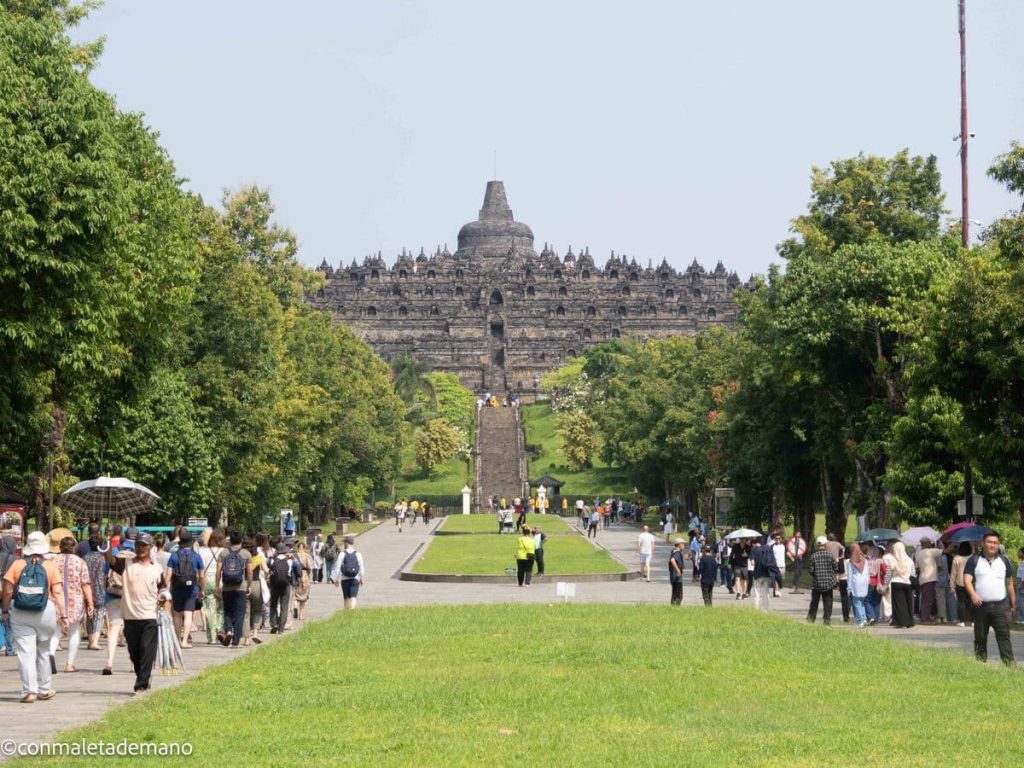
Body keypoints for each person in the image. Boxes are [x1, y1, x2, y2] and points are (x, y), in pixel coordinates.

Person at [2, 531, 65, 702]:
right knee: (43, 651)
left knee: (26, 653)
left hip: (21, 611)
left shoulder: (17, 564)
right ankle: (44, 689)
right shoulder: (50, 566)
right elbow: (58, 592)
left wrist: (6, 611)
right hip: (46, 611)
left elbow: (7, 591)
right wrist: (63, 614)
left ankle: (29, 691)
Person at [104, 532, 168, 696]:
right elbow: (111, 561)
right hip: (130, 616)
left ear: (150, 547)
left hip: (149, 615)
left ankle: (140, 685)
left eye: (144, 546)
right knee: (134, 652)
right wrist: (105, 546)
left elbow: (162, 586)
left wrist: (164, 596)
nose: (140, 548)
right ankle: (143, 678)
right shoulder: (126, 563)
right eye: (138, 545)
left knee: (147, 650)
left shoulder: (156, 567)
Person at [963, 531, 1016, 665]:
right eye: (989, 542)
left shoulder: (1004, 561)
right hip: (981, 606)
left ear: (998, 545)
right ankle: (981, 665)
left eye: (995, 543)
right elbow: (967, 580)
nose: (992, 545)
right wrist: (973, 595)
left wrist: (1013, 605)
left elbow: (1009, 583)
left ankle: (1009, 665)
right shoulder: (974, 560)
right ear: (983, 543)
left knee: (1004, 637)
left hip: (1001, 606)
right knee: (980, 637)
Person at [52, 536, 94, 672]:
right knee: (75, 632)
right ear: (75, 548)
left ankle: (50, 656)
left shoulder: (52, 561)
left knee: (55, 631)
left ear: (60, 547)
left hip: (55, 600)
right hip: (75, 601)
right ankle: (70, 664)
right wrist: (90, 603)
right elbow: (85, 584)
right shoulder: (80, 562)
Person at [165, 530, 203, 648]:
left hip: (176, 589)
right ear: (191, 543)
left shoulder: (174, 556)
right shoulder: (196, 557)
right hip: (191, 589)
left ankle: (176, 639)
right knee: (188, 614)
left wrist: (166, 588)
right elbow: (201, 576)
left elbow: (168, 574)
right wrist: (201, 589)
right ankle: (184, 641)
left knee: (176, 615)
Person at [215, 529, 253, 647]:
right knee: (240, 613)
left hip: (227, 587)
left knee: (227, 611)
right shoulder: (246, 553)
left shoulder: (223, 553)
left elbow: (218, 571)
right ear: (241, 540)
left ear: (230, 540)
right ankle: (236, 641)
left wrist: (217, 585)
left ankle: (228, 631)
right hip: (240, 587)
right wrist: (249, 585)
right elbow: (250, 572)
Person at [198, 529, 225, 644]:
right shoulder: (224, 551)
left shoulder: (202, 551)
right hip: (222, 579)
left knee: (209, 609)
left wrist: (200, 586)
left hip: (208, 578)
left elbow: (200, 571)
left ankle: (212, 637)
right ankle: (220, 629)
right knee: (221, 607)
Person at [884, 541, 916, 629]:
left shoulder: (893, 560)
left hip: (896, 582)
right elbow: (913, 573)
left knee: (898, 604)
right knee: (907, 603)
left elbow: (888, 574)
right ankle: (909, 621)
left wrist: (885, 584)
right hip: (907, 582)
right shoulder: (909, 560)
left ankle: (900, 622)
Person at [806, 536, 837, 624]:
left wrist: (816, 575)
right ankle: (827, 620)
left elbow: (811, 570)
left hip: (817, 583)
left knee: (814, 602)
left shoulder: (813, 556)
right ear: (825, 544)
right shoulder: (830, 555)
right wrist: (831, 576)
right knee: (828, 602)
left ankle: (811, 618)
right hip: (828, 583)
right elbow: (835, 568)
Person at [0, 535, 20, 656]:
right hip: (10, 594)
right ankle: (9, 648)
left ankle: (1, 644)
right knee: (10, 622)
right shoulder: (16, 560)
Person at [914, 538, 942, 624]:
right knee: (928, 599)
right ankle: (925, 619)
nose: (931, 543)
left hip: (922, 579)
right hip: (929, 579)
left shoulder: (918, 554)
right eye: (930, 542)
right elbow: (944, 551)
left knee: (924, 599)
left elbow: (917, 569)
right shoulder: (931, 551)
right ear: (926, 543)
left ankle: (924, 617)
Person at [267, 543, 293, 634]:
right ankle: (281, 627)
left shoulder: (272, 561)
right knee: (284, 606)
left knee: (273, 605)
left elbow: (269, 570)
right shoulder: (289, 561)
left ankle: (273, 624)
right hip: (286, 585)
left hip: (274, 585)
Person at [750, 536, 778, 612]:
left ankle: (756, 610)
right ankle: (765, 610)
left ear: (756, 542)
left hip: (757, 574)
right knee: (766, 593)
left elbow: (752, 563)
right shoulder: (768, 549)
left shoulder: (753, 550)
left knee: (757, 593)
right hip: (767, 574)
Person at [336, 536, 365, 609]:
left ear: (347, 543)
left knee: (346, 598)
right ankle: (352, 611)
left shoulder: (342, 554)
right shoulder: (358, 554)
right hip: (355, 578)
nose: (344, 544)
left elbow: (338, 567)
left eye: (344, 543)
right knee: (353, 597)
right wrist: (362, 578)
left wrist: (336, 578)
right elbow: (361, 567)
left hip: (344, 579)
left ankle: (347, 612)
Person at [847, 543, 870, 628]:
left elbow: (850, 575)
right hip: (864, 583)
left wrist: (848, 587)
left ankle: (860, 621)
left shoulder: (851, 562)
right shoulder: (865, 560)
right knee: (862, 602)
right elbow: (868, 573)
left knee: (857, 603)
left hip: (855, 583)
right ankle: (864, 619)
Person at [951, 542, 974, 627]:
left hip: (960, 582)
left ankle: (962, 621)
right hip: (971, 582)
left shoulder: (956, 558)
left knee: (961, 602)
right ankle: (973, 621)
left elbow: (953, 573)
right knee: (972, 602)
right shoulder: (972, 557)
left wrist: (952, 585)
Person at [293, 541, 313, 620]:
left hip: (296, 576)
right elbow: (310, 566)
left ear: (298, 547)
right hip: (304, 575)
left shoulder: (294, 555)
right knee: (303, 597)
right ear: (304, 548)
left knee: (295, 594)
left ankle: (295, 606)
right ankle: (301, 615)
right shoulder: (307, 556)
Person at [669, 539, 686, 605]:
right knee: (679, 595)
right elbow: (672, 560)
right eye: (683, 544)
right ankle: (676, 608)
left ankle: (673, 608)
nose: (684, 545)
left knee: (675, 594)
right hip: (676, 577)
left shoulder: (674, 552)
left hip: (674, 577)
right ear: (679, 544)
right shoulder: (677, 553)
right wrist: (678, 570)